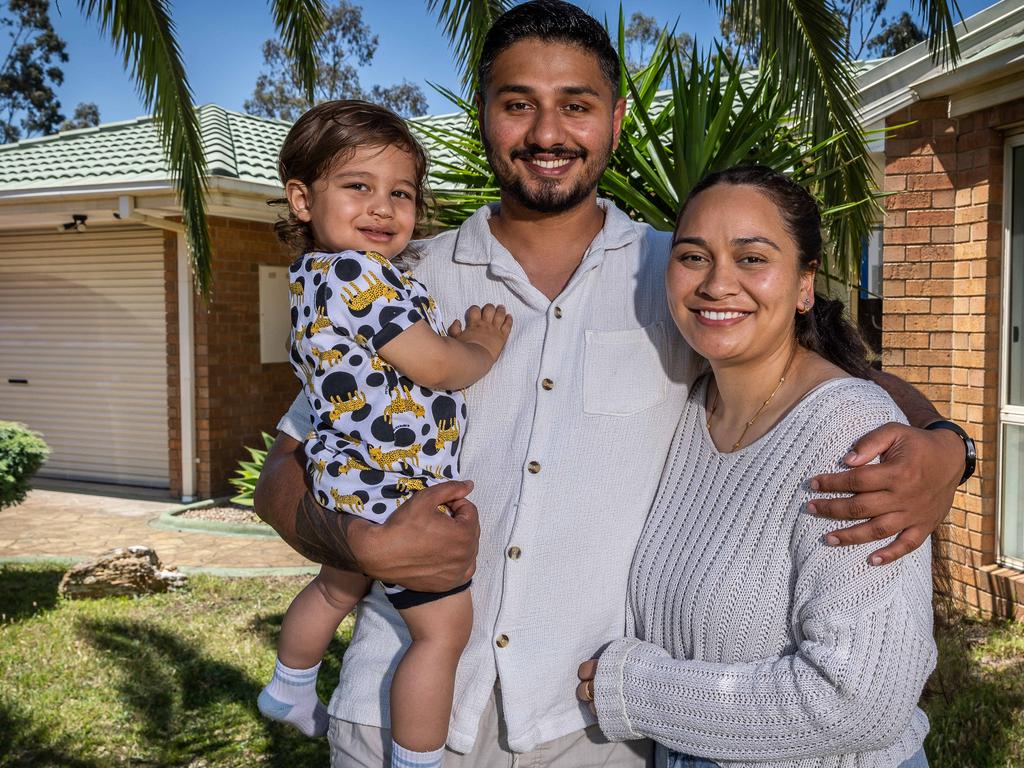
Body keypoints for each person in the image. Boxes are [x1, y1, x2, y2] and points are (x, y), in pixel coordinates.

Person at [255, 2, 969, 765]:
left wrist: (945, 447)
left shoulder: (684, 274)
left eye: (578, 105)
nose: (548, 133)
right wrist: (363, 541)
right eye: (518, 103)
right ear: (485, 117)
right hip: (394, 718)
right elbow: (284, 471)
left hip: (590, 729)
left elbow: (835, 374)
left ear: (617, 119)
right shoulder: (403, 280)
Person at [576, 166, 935, 767]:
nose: (718, 284)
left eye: (751, 258)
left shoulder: (848, 433)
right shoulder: (689, 409)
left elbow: (860, 702)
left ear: (803, 285)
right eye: (693, 257)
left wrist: (635, 690)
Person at [257, 100, 512, 768]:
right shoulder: (362, 275)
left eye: (400, 192)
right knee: (443, 631)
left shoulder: (313, 279)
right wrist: (479, 350)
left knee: (338, 587)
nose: (384, 207)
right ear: (302, 198)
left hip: (343, 474)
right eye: (358, 186)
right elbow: (434, 365)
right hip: (392, 484)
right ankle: (417, 760)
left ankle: (289, 683)